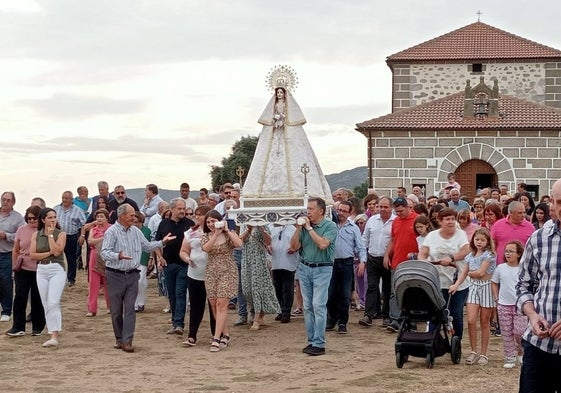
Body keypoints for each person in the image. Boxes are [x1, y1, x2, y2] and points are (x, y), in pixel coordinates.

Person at [100, 204, 175, 353]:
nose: (134, 218)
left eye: (134, 215)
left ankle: (128, 341)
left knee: (130, 309)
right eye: (131, 215)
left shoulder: (136, 231)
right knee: (116, 311)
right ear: (122, 217)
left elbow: (147, 246)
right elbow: (104, 253)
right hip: (115, 274)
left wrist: (162, 242)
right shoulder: (112, 232)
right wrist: (118, 256)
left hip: (133, 274)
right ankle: (119, 338)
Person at [241, 86, 332, 201]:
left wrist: (283, 118)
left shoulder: (288, 105)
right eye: (277, 92)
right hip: (275, 133)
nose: (279, 94)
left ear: (285, 94)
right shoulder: (274, 104)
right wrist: (275, 119)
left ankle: (298, 191)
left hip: (289, 134)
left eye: (281, 92)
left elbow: (291, 117)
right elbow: (270, 116)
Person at [516, 178, 561, 392]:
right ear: (551, 202)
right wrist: (532, 316)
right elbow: (523, 285)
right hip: (539, 345)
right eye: (559, 202)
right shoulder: (539, 238)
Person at [290, 197, 337, 356]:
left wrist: (309, 229)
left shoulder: (330, 226)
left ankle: (319, 343)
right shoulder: (303, 227)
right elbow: (294, 247)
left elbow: (323, 245)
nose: (307, 212)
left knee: (318, 304)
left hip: (322, 269)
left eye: (311, 209)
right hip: (305, 268)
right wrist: (298, 229)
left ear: (321, 211)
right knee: (308, 306)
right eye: (307, 209)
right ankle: (311, 341)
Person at [417, 208, 470, 340]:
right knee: (437, 312)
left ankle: (456, 340)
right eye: (447, 219)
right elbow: (423, 252)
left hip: (458, 281)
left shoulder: (461, 234)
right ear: (440, 221)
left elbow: (466, 250)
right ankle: (433, 340)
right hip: (438, 281)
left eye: (453, 219)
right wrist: (423, 261)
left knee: (455, 313)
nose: (450, 222)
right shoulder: (432, 236)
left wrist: (452, 258)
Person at [202, 210, 243, 352]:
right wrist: (215, 234)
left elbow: (239, 243)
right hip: (211, 273)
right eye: (208, 222)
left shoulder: (228, 235)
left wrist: (227, 230)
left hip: (227, 271)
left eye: (213, 221)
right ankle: (225, 334)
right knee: (213, 305)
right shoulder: (206, 236)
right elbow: (206, 248)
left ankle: (216, 338)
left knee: (221, 303)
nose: (211, 224)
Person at [155, 198, 194, 335]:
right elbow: (157, 243)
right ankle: (174, 321)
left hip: (184, 264)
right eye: (179, 208)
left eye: (184, 208)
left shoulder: (189, 224)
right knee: (171, 294)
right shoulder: (163, 224)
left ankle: (179, 324)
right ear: (171, 209)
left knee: (180, 293)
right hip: (168, 264)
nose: (182, 211)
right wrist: (160, 257)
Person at [327, 200, 366, 334]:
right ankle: (332, 319)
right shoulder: (330, 225)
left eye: (344, 211)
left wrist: (362, 261)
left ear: (350, 212)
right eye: (339, 210)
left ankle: (343, 322)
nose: (341, 213)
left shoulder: (353, 228)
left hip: (347, 262)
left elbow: (360, 247)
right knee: (330, 293)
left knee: (345, 294)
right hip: (331, 263)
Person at [30, 208, 67, 347]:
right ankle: (52, 331)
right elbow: (33, 255)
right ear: (43, 219)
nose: (53, 220)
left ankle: (54, 335)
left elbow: (57, 252)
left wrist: (51, 236)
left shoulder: (61, 234)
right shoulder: (36, 235)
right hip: (41, 269)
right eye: (50, 217)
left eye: (54, 217)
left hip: (56, 268)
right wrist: (49, 252)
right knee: (46, 302)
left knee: (53, 301)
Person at [6, 205, 45, 336]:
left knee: (37, 297)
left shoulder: (44, 231)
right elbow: (16, 249)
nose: (32, 221)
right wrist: (14, 267)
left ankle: (38, 326)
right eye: (29, 218)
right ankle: (18, 327)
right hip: (22, 267)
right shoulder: (21, 230)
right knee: (20, 297)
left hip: (39, 268)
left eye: (35, 218)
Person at [179, 205, 215, 346]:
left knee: (214, 306)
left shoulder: (215, 232)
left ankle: (216, 334)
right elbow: (183, 250)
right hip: (195, 273)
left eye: (200, 215)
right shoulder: (190, 233)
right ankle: (192, 335)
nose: (197, 217)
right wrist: (186, 258)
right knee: (196, 306)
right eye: (196, 214)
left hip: (213, 273)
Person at [383, 197, 419, 332]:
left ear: (408, 207)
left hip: (413, 263)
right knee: (395, 292)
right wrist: (387, 255)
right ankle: (395, 320)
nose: (398, 214)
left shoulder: (417, 220)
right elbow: (393, 239)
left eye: (401, 211)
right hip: (397, 262)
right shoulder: (396, 221)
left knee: (413, 292)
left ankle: (412, 320)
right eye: (396, 211)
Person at [462, 228, 497, 366]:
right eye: (477, 239)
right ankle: (473, 350)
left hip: (486, 287)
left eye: (482, 240)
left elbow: (481, 273)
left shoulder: (489, 255)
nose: (479, 242)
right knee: (471, 320)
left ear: (488, 241)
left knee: (484, 322)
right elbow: (464, 273)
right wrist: (457, 284)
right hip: (473, 287)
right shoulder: (470, 255)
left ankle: (483, 353)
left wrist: (471, 273)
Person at [359, 197, 395, 328]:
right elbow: (365, 239)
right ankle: (369, 315)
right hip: (373, 257)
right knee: (372, 287)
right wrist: (363, 257)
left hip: (388, 259)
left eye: (385, 207)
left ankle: (386, 316)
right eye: (380, 206)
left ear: (391, 207)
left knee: (387, 289)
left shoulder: (395, 221)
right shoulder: (372, 220)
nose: (382, 209)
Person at [491, 240, 527, 369]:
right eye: (506, 251)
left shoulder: (523, 268)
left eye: (511, 251)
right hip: (503, 305)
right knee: (506, 333)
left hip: (520, 305)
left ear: (518, 254)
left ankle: (521, 351)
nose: (508, 254)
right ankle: (509, 357)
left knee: (519, 331)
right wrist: (496, 298)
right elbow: (494, 283)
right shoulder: (500, 268)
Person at [239, 225, 279, 330]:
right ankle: (260, 311)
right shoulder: (244, 225)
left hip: (259, 260)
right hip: (246, 260)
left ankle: (257, 318)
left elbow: (269, 241)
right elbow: (240, 241)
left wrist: (261, 229)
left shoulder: (263, 225)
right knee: (247, 289)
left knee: (257, 288)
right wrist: (248, 229)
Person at [0, 191, 26, 322]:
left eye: (8, 200)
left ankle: (6, 310)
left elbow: (21, 235)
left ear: (13, 202)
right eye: (3, 199)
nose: (5, 202)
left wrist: (6, 235)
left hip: (7, 253)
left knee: (5, 282)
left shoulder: (17, 217)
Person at [53, 190, 86, 287]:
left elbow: (83, 224)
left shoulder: (77, 210)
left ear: (72, 199)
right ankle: (57, 277)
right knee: (56, 257)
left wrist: (82, 236)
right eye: (63, 198)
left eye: (66, 198)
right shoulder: (56, 208)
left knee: (71, 259)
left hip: (71, 236)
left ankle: (71, 279)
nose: (64, 200)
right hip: (57, 236)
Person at [270, 224, 300, 324]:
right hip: (275, 261)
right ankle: (280, 309)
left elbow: (299, 241)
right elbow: (268, 241)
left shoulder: (292, 228)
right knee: (277, 287)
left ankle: (286, 311)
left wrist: (295, 248)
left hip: (288, 261)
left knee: (287, 288)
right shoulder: (271, 227)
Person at [86, 208, 111, 317]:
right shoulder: (93, 229)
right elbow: (90, 241)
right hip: (94, 256)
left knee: (108, 283)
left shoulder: (111, 228)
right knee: (93, 283)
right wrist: (103, 238)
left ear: (106, 218)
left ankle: (111, 307)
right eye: (98, 217)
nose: (99, 219)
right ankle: (92, 309)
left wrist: (98, 240)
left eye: (102, 216)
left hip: (108, 257)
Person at [133, 212, 152, 312]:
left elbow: (151, 245)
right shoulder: (130, 231)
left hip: (143, 258)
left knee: (140, 281)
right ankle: (136, 304)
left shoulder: (147, 231)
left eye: (137, 222)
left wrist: (151, 259)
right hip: (131, 259)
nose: (135, 224)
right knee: (134, 282)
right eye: (133, 222)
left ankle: (141, 302)